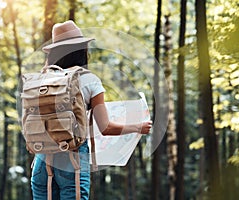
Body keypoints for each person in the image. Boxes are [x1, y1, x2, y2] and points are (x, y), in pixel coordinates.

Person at [30, 20, 152, 200]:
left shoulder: (42, 79)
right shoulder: (89, 80)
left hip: (40, 161)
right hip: (72, 161)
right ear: (81, 49)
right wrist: (138, 127)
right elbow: (105, 127)